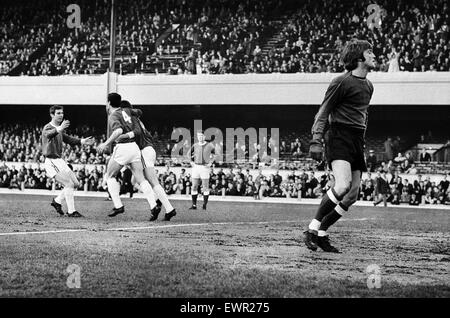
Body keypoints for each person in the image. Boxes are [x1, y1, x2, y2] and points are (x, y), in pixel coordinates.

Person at [306, 39, 376, 253]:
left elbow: (362, 115)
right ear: (359, 58)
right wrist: (316, 140)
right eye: (370, 52)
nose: (374, 55)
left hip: (356, 139)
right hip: (339, 135)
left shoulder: (369, 86)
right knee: (342, 185)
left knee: (352, 194)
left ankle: (322, 233)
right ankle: (311, 229)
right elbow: (323, 111)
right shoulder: (341, 82)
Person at [96, 93, 159, 218]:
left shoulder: (113, 115)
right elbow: (139, 112)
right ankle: (153, 205)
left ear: (108, 103)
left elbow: (118, 131)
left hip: (123, 147)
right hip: (134, 148)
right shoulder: (127, 112)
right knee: (140, 179)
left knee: (109, 176)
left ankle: (118, 205)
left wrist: (105, 143)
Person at [116, 100, 176, 221]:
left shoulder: (130, 119)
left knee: (150, 181)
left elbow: (136, 134)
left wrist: (123, 137)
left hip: (143, 150)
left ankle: (167, 208)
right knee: (142, 181)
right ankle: (161, 204)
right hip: (149, 149)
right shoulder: (137, 119)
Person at [41, 105, 94, 217]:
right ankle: (71, 211)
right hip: (51, 161)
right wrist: (60, 128)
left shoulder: (59, 129)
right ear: (52, 115)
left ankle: (57, 201)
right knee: (69, 184)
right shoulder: (47, 127)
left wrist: (83, 141)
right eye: (58, 113)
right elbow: (49, 134)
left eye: (62, 113)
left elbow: (69, 139)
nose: (61, 115)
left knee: (76, 183)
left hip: (59, 160)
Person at [188, 130, 215, 210]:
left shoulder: (209, 145)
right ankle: (194, 205)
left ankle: (204, 204)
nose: (200, 137)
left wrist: (211, 163)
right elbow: (188, 154)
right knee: (194, 186)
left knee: (205, 187)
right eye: (198, 136)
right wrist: (191, 162)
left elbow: (216, 154)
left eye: (201, 136)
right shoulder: (195, 145)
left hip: (204, 168)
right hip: (196, 167)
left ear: (204, 136)